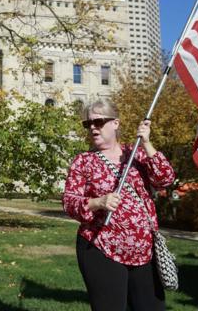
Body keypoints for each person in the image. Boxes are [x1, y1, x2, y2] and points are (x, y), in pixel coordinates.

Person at [63, 99, 175, 311]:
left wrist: (147, 144)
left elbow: (165, 178)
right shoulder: (83, 161)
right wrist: (98, 202)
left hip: (144, 250)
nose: (93, 128)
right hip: (101, 248)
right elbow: (69, 201)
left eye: (99, 122)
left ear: (115, 123)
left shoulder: (137, 155)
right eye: (88, 124)